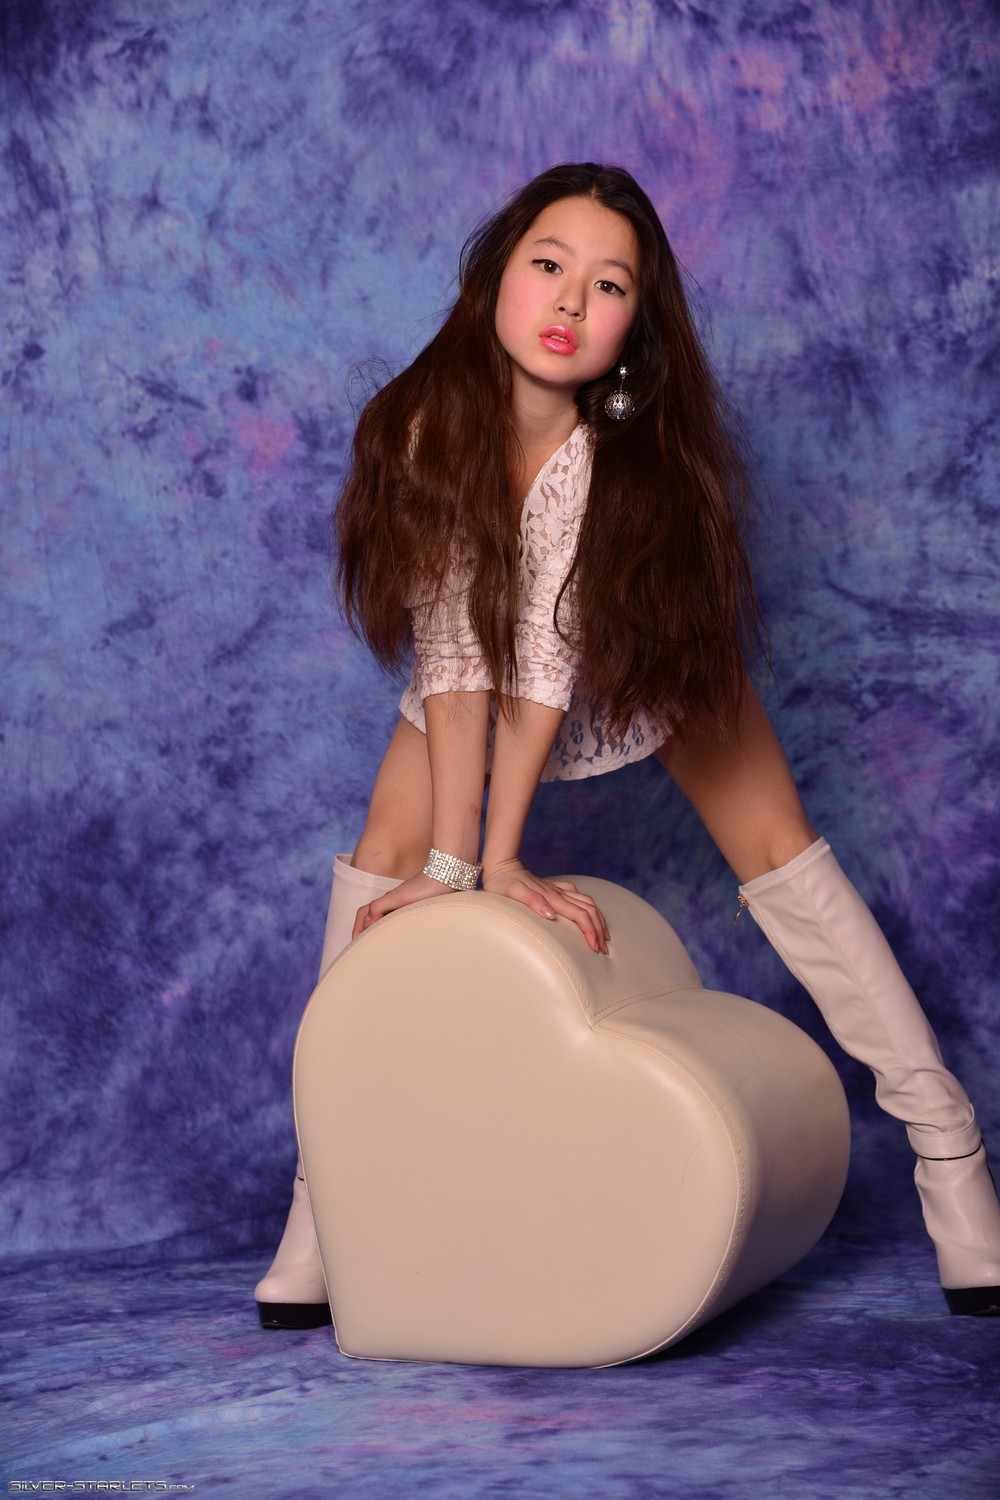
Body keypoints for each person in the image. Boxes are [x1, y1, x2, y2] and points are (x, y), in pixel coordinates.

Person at [254, 162, 1000, 1328]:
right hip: (489, 660)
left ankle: (949, 1156)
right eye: (548, 264)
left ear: (632, 330)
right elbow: (461, 656)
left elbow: (547, 667)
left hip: (634, 644)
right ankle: (324, 1205)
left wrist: (502, 860)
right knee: (391, 849)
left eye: (608, 286)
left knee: (779, 847)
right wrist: (454, 864)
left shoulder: (606, 459)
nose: (569, 300)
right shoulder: (422, 425)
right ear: (493, 278)